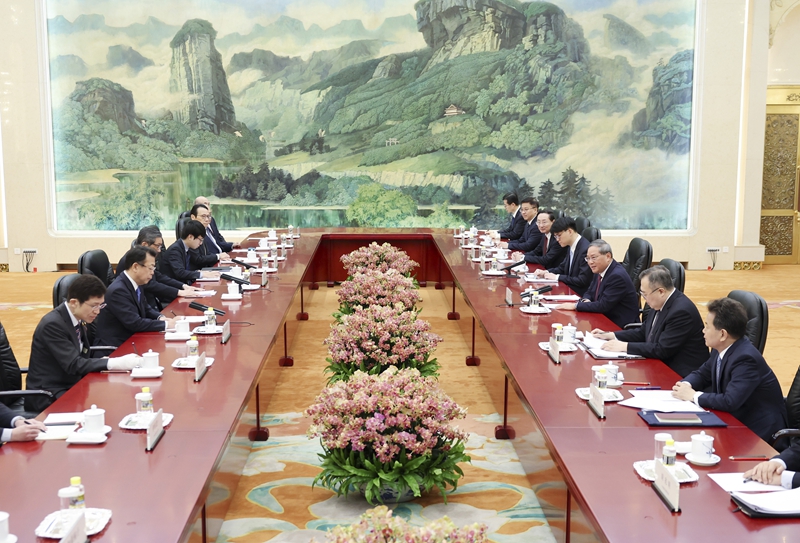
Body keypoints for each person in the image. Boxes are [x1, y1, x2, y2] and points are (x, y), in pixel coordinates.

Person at [672, 297, 787, 442]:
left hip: (759, 434)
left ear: (722, 334)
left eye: (707, 326)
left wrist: (693, 396)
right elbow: (703, 373)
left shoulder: (746, 359)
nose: (703, 331)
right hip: (735, 421)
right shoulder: (721, 348)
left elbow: (730, 401)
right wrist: (685, 385)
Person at [25, 275, 141, 412]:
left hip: (71, 384)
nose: (98, 311)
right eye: (94, 306)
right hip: (49, 394)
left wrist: (103, 361)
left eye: (101, 305)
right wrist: (115, 363)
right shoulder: (52, 325)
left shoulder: (77, 318)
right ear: (74, 302)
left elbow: (81, 355)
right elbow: (74, 364)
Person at [592, 265, 708, 377]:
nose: (644, 299)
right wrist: (612, 335)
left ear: (661, 291)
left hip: (680, 374)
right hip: (660, 365)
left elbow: (662, 349)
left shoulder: (681, 312)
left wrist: (625, 346)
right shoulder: (659, 302)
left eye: (645, 294)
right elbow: (644, 332)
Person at [94, 246, 177, 348]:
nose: (152, 272)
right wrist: (167, 325)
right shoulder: (118, 291)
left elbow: (145, 308)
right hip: (116, 347)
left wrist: (161, 318)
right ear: (135, 267)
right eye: (150, 268)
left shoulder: (136, 282)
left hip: (132, 340)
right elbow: (134, 323)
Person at [555, 240, 639, 328]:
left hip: (618, 326)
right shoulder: (600, 269)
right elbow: (590, 291)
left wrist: (575, 306)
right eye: (588, 258)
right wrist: (586, 300)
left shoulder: (617, 276)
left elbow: (603, 306)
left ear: (608, 256)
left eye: (594, 257)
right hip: (603, 319)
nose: (590, 262)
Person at [117, 226, 203, 310]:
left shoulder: (144, 258)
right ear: (145, 244)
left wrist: (183, 286)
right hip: (139, 308)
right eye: (157, 246)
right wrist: (178, 292)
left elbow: (159, 276)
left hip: (150, 305)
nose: (159, 250)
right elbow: (150, 285)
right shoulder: (131, 261)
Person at [530, 216, 592, 296]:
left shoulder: (585, 250)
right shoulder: (571, 245)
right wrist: (546, 272)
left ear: (570, 231)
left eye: (559, 235)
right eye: (555, 236)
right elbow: (562, 268)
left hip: (579, 294)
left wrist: (557, 277)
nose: (557, 239)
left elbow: (582, 280)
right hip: (569, 290)